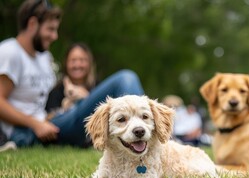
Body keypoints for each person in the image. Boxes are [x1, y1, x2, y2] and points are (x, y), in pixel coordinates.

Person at [0, 0, 144, 148]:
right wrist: (36, 124)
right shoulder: (11, 52)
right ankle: (144, 138)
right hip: (28, 132)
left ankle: (145, 136)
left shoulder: (43, 57)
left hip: (52, 122)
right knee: (125, 78)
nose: (54, 36)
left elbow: (41, 104)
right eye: (50, 29)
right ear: (32, 24)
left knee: (122, 82)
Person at [45, 43, 96, 117]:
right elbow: (49, 119)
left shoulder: (98, 87)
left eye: (82, 60)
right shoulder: (56, 92)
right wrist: (64, 109)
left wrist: (86, 98)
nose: (77, 65)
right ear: (66, 63)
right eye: (73, 60)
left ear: (89, 63)